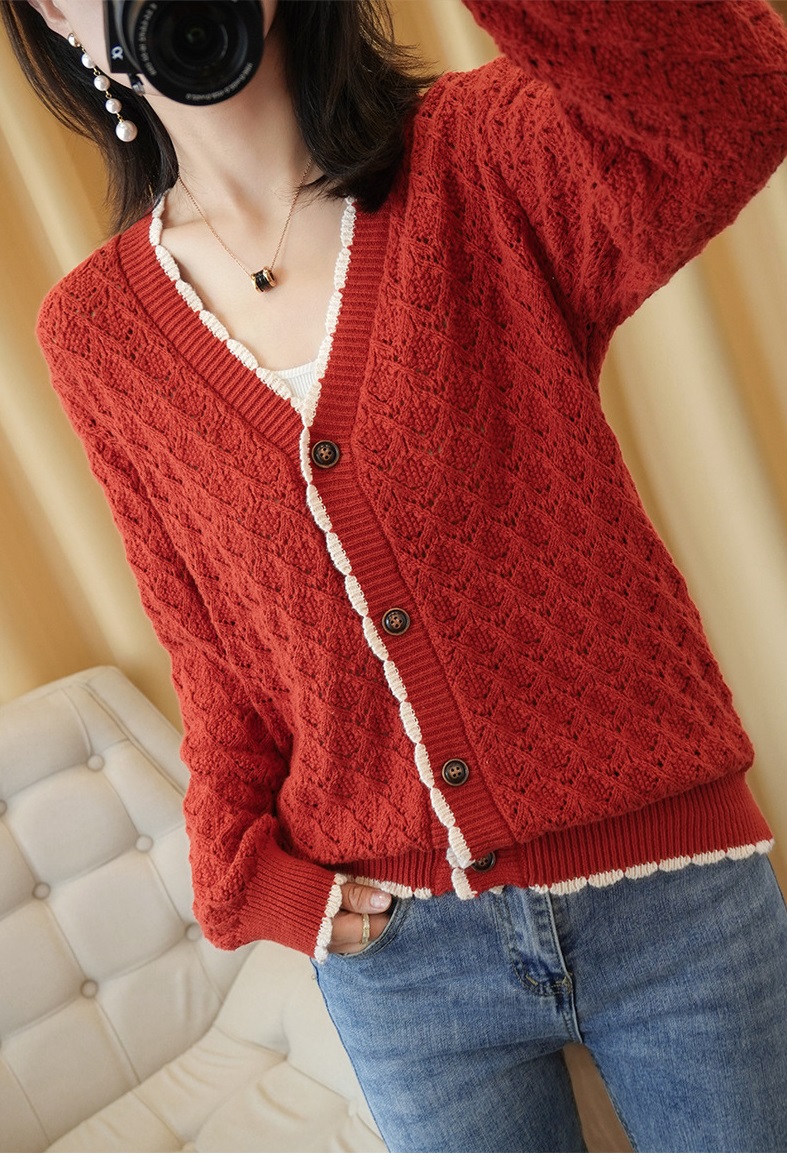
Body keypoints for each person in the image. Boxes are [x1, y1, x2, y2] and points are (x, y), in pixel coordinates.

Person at [4, 0, 787, 1151]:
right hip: (404, 965)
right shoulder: (98, 334)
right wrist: (244, 875)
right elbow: (212, 650)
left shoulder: (480, 159)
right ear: (51, 20)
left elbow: (736, 96)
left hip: (670, 895)